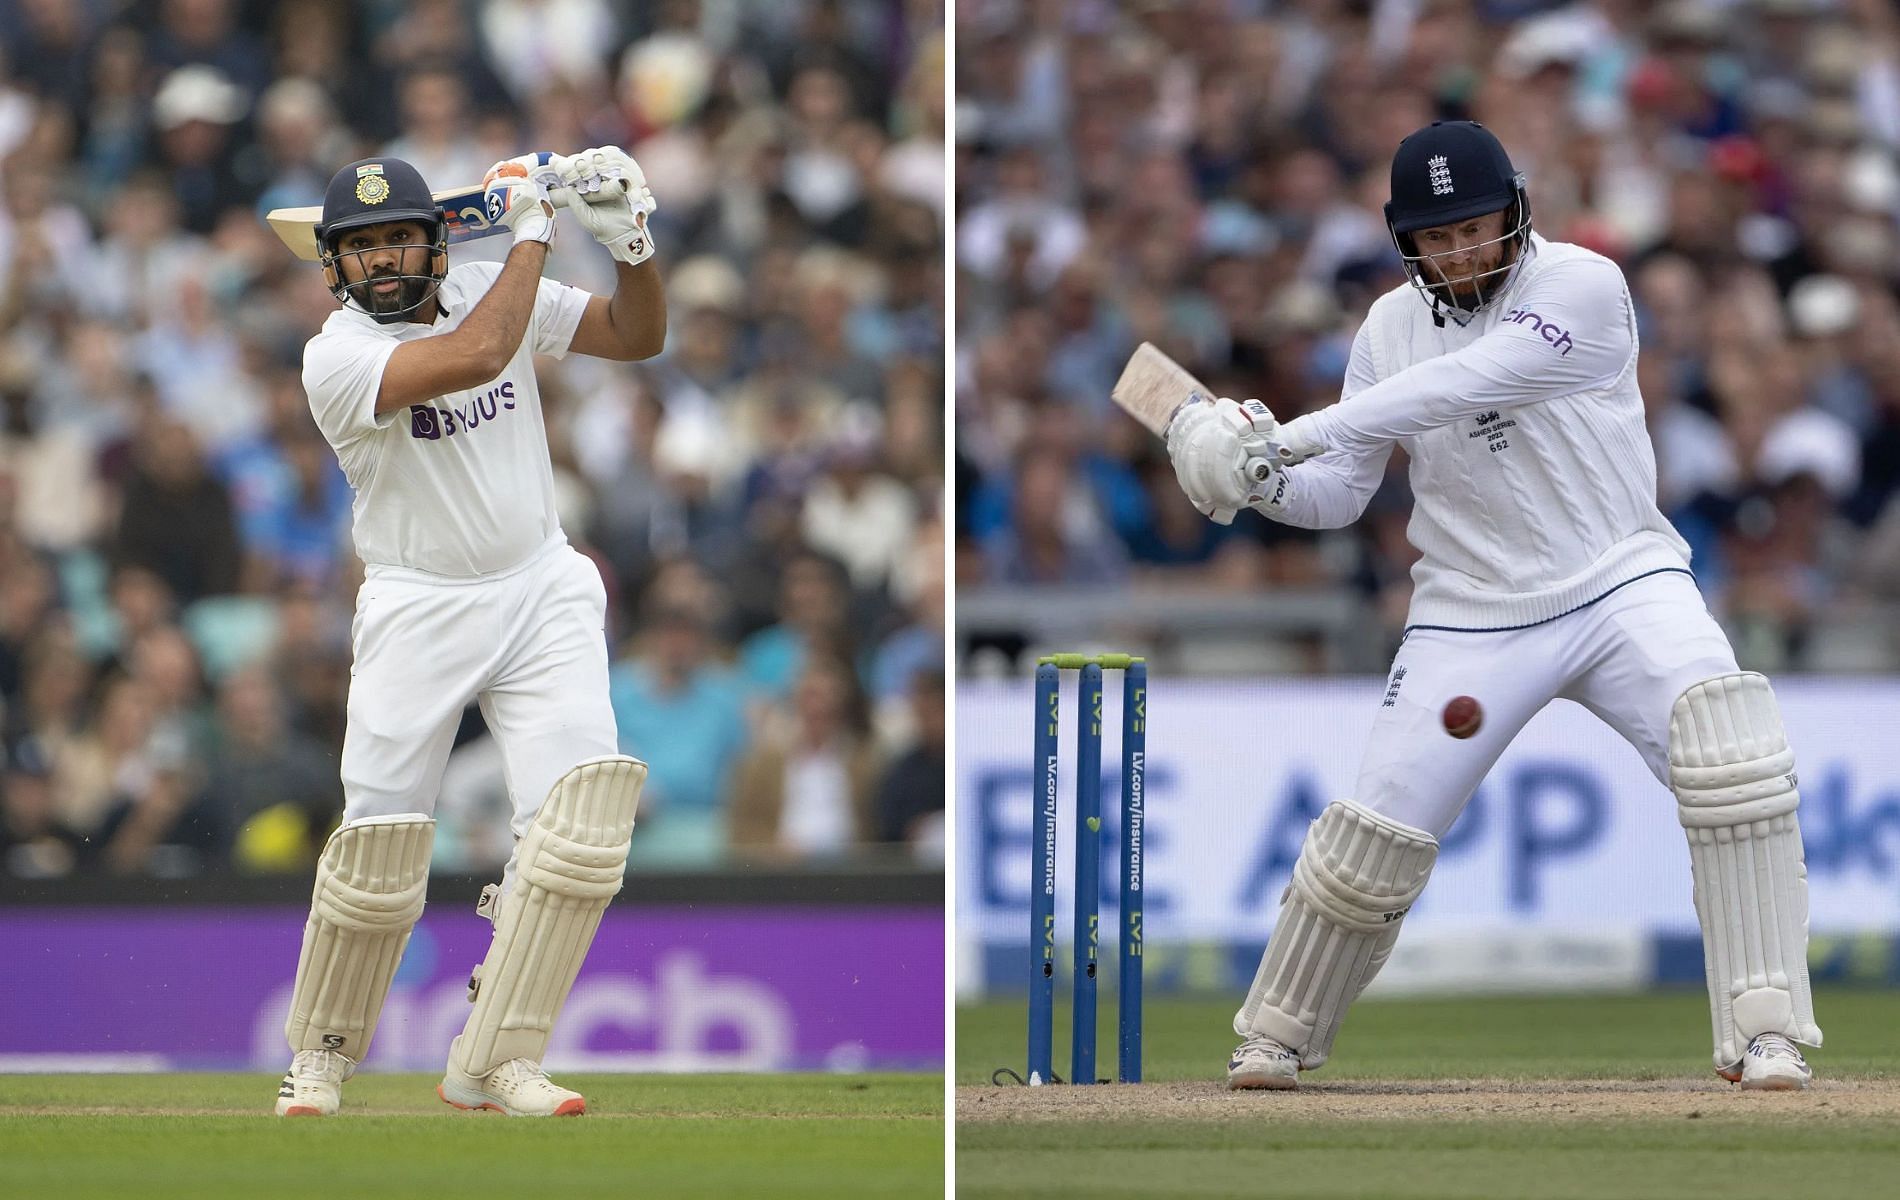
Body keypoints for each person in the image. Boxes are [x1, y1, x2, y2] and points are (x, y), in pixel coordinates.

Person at [1165, 121, 1821, 1093]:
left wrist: (1289, 430)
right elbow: (1338, 496)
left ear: (1514, 212)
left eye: (1475, 227)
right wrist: (1251, 473)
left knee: (1732, 758)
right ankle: (1277, 1035)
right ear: (1406, 242)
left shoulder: (1583, 286)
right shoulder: (1387, 328)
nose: (1461, 250)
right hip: (1469, 612)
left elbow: (1467, 381)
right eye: (1437, 237)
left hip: (1621, 580)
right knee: (1370, 838)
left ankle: (1763, 1030)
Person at [275, 149, 665, 1118]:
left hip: (541, 583)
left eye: (398, 236)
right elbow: (479, 358)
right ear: (333, 267)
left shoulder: (493, 282)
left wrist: (628, 241)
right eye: (360, 248)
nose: (381, 260)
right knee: (380, 842)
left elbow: (635, 334)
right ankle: (320, 1057)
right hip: (417, 601)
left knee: (578, 834)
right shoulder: (335, 356)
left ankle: (496, 1061)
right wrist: (534, 226)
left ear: (437, 237)